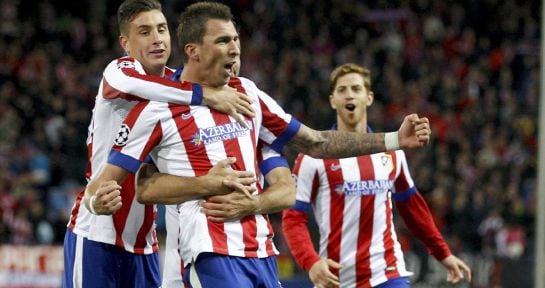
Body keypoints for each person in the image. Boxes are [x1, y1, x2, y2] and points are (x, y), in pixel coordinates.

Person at [85, 2, 431, 288]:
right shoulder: (157, 107)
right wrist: (206, 184)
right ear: (192, 51)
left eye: (236, 39)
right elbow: (136, 185)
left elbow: (315, 142)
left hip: (262, 250)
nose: (234, 48)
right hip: (208, 251)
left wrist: (393, 139)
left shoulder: (248, 93)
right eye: (222, 41)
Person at [62, 0, 258, 287]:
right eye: (144, 32)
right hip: (97, 232)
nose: (156, 39)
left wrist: (226, 66)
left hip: (146, 242)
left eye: (162, 29)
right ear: (125, 43)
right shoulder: (118, 73)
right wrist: (203, 93)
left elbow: (207, 82)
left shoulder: (178, 86)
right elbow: (140, 86)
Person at [282, 63, 472, 288]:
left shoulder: (391, 151)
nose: (349, 94)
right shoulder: (313, 157)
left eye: (356, 88)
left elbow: (412, 206)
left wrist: (443, 253)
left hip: (387, 274)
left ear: (369, 97)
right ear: (333, 100)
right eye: (342, 90)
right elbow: (293, 218)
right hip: (337, 279)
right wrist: (311, 262)